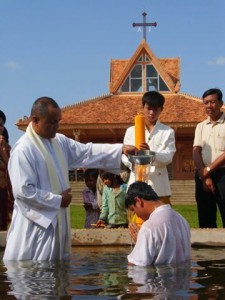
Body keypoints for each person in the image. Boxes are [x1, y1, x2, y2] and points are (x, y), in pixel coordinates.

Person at [3, 96, 136, 261]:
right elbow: (23, 191)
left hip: (58, 221)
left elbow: (87, 152)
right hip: (34, 228)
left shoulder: (59, 141)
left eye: (58, 121)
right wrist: (58, 200)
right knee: (33, 274)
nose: (56, 127)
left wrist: (120, 149)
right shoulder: (24, 149)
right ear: (35, 120)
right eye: (51, 122)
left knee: (57, 275)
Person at [122, 91, 176, 205]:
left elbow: (168, 157)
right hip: (136, 182)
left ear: (161, 109)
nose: (151, 113)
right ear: (143, 107)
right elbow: (124, 155)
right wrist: (134, 160)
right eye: (148, 108)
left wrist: (150, 153)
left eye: (156, 109)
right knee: (136, 221)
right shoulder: (131, 131)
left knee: (161, 220)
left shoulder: (167, 132)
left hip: (159, 186)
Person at [125, 181, 191, 266]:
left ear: (138, 201)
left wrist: (140, 244)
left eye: (133, 209)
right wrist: (142, 242)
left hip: (161, 278)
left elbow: (136, 267)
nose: (136, 215)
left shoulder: (149, 227)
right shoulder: (182, 220)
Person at [193, 88, 225, 228]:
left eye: (212, 102)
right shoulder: (200, 126)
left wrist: (208, 170)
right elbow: (196, 150)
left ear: (221, 103)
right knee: (205, 217)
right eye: (205, 103)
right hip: (202, 175)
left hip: (223, 175)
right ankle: (208, 249)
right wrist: (204, 174)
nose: (209, 106)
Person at [0, 111, 12, 231]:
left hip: (2, 192)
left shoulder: (6, 148)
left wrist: (3, 153)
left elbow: (12, 170)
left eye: (1, 124)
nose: (0, 127)